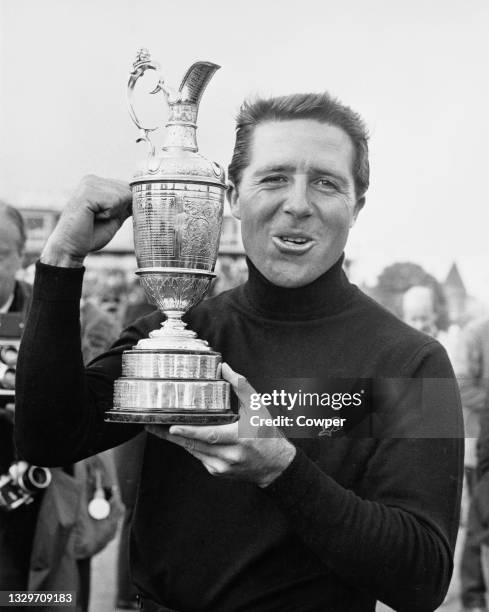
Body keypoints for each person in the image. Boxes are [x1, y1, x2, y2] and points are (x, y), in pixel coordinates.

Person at [15, 93, 463, 611]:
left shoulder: (415, 363)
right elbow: (47, 437)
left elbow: (423, 579)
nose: (297, 203)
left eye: (326, 181)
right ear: (232, 197)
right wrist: (61, 258)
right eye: (273, 177)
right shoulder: (172, 334)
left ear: (356, 206)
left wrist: (282, 470)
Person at [457, 317, 489, 611]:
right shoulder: (476, 333)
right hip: (479, 447)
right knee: (481, 524)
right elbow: (462, 384)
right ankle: (473, 595)